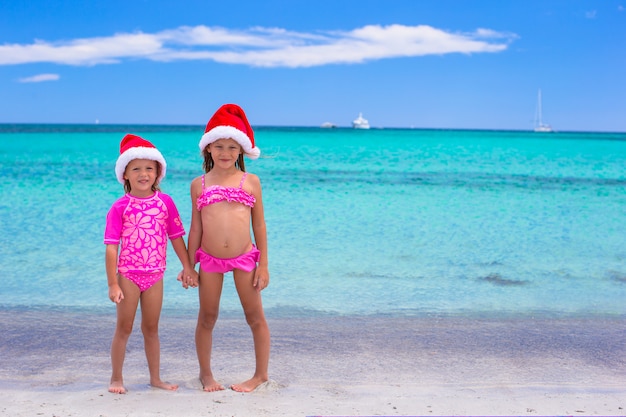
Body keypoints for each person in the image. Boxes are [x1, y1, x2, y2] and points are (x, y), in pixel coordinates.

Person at [184, 104, 270, 393]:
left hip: (245, 258)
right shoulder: (199, 184)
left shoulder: (251, 182)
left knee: (254, 316)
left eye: (232, 147)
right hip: (209, 260)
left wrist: (265, 265)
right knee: (207, 317)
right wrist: (188, 266)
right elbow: (195, 227)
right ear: (208, 148)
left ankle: (260, 375)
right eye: (219, 146)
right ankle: (206, 375)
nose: (225, 152)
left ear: (241, 151)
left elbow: (259, 226)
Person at [104, 134, 197, 394]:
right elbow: (112, 248)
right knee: (124, 327)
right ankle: (116, 378)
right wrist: (113, 283)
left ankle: (155, 378)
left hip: (156, 275)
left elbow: (177, 237)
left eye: (149, 168)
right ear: (125, 175)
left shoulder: (165, 203)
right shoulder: (119, 207)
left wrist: (188, 267)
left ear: (158, 172)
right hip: (128, 275)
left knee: (151, 328)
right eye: (136, 169)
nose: (143, 174)